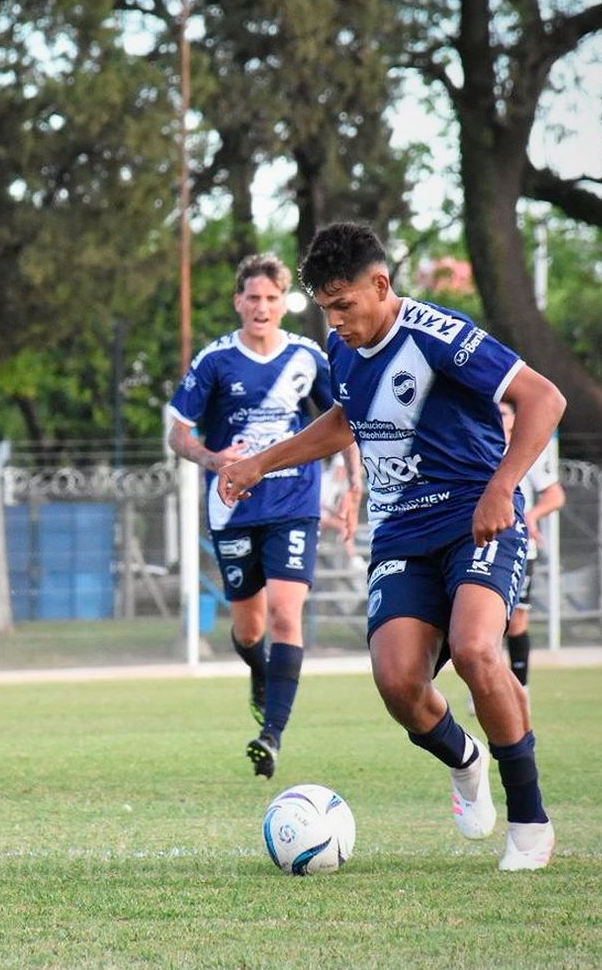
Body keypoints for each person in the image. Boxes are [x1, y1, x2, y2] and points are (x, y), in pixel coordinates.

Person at [218, 223, 567, 871]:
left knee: (473, 648)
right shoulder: (341, 348)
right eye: (326, 309)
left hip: (476, 519)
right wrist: (259, 463)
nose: (338, 321)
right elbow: (346, 419)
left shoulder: (439, 335)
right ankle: (464, 758)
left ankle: (529, 820)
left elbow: (544, 398)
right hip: (402, 533)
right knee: (397, 680)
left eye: (345, 305)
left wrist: (503, 487)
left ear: (381, 285)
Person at [167, 252, 361, 779]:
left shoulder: (307, 357)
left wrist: (354, 486)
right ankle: (259, 670)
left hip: (294, 501)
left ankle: (271, 735)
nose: (261, 307)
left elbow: (345, 420)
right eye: (253, 297)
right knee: (250, 630)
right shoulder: (214, 362)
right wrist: (211, 458)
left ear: (284, 304)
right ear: (238, 302)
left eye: (272, 298)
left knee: (284, 614)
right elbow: (178, 432)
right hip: (233, 505)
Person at [498, 400, 566, 695]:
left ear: (515, 419)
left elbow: (555, 495)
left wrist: (530, 516)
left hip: (519, 547)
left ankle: (520, 690)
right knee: (484, 625)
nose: (497, 418)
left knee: (515, 620)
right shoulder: (476, 446)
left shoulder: (528, 452)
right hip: (479, 544)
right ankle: (491, 689)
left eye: (503, 413)